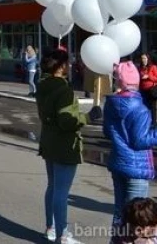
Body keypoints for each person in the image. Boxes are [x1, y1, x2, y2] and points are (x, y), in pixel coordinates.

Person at [37, 48, 98, 243]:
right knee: (61, 192)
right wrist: (89, 116)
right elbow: (67, 121)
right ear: (61, 66)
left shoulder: (43, 85)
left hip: (49, 142)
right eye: (68, 63)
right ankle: (62, 233)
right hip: (64, 145)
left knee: (53, 187)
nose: (70, 66)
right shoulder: (62, 89)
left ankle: (51, 227)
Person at [104, 58, 157, 232]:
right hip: (136, 166)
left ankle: (116, 241)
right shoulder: (140, 109)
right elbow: (139, 141)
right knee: (137, 217)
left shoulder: (111, 104)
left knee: (120, 212)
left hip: (118, 162)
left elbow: (106, 132)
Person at [138, 53, 157, 125]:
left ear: (148, 59)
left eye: (145, 58)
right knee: (144, 107)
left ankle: (154, 123)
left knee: (152, 107)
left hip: (151, 90)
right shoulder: (140, 68)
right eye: (142, 58)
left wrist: (149, 76)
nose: (143, 60)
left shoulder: (153, 67)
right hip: (143, 90)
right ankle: (146, 122)